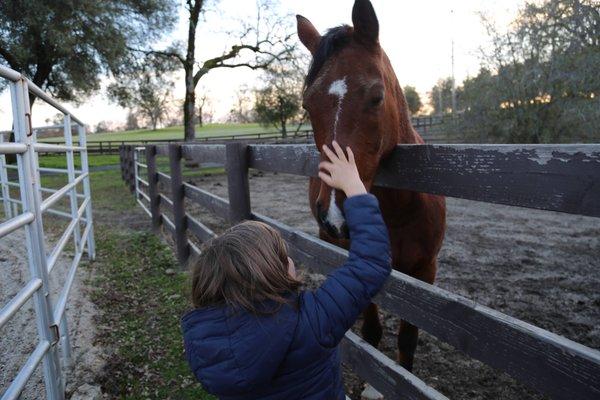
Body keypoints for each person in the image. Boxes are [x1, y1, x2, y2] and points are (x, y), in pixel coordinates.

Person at [181, 141, 391, 399]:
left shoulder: (205, 342)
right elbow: (369, 263)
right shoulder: (312, 321)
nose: (291, 260)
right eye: (284, 257)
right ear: (273, 274)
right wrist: (355, 187)